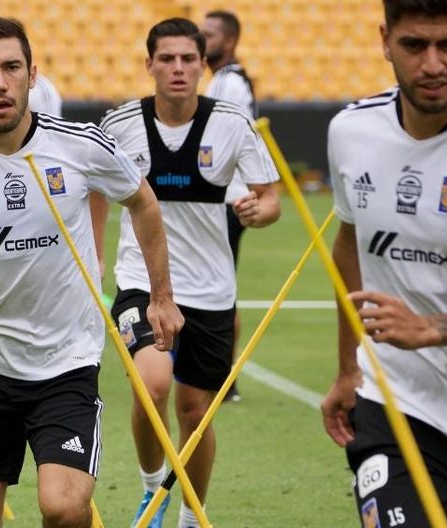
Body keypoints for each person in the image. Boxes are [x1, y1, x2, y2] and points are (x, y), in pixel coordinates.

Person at [0, 16, 183, 528]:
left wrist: (161, 295)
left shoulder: (80, 144)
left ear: (32, 75)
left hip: (66, 363)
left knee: (64, 509)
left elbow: (143, 202)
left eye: (11, 68)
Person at [321, 1, 447, 526]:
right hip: (398, 407)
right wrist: (350, 367)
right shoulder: (350, 130)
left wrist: (431, 329)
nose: (432, 65)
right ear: (386, 41)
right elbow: (350, 245)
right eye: (413, 45)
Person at [93, 18, 280, 528]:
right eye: (167, 59)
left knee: (196, 413)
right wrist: (96, 253)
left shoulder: (232, 124)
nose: (178, 68)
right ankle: (151, 489)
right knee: (151, 386)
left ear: (203, 65)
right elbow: (94, 187)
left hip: (211, 290)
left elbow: (270, 199)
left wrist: (258, 211)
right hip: (142, 281)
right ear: (149, 64)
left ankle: (192, 516)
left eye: (188, 59)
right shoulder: (120, 125)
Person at [201, 9, 258, 403]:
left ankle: (223, 376)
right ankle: (222, 375)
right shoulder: (227, 80)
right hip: (228, 197)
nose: (203, 41)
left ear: (231, 40)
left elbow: (221, 140)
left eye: (210, 34)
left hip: (225, 198)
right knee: (218, 286)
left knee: (219, 290)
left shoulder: (227, 83)